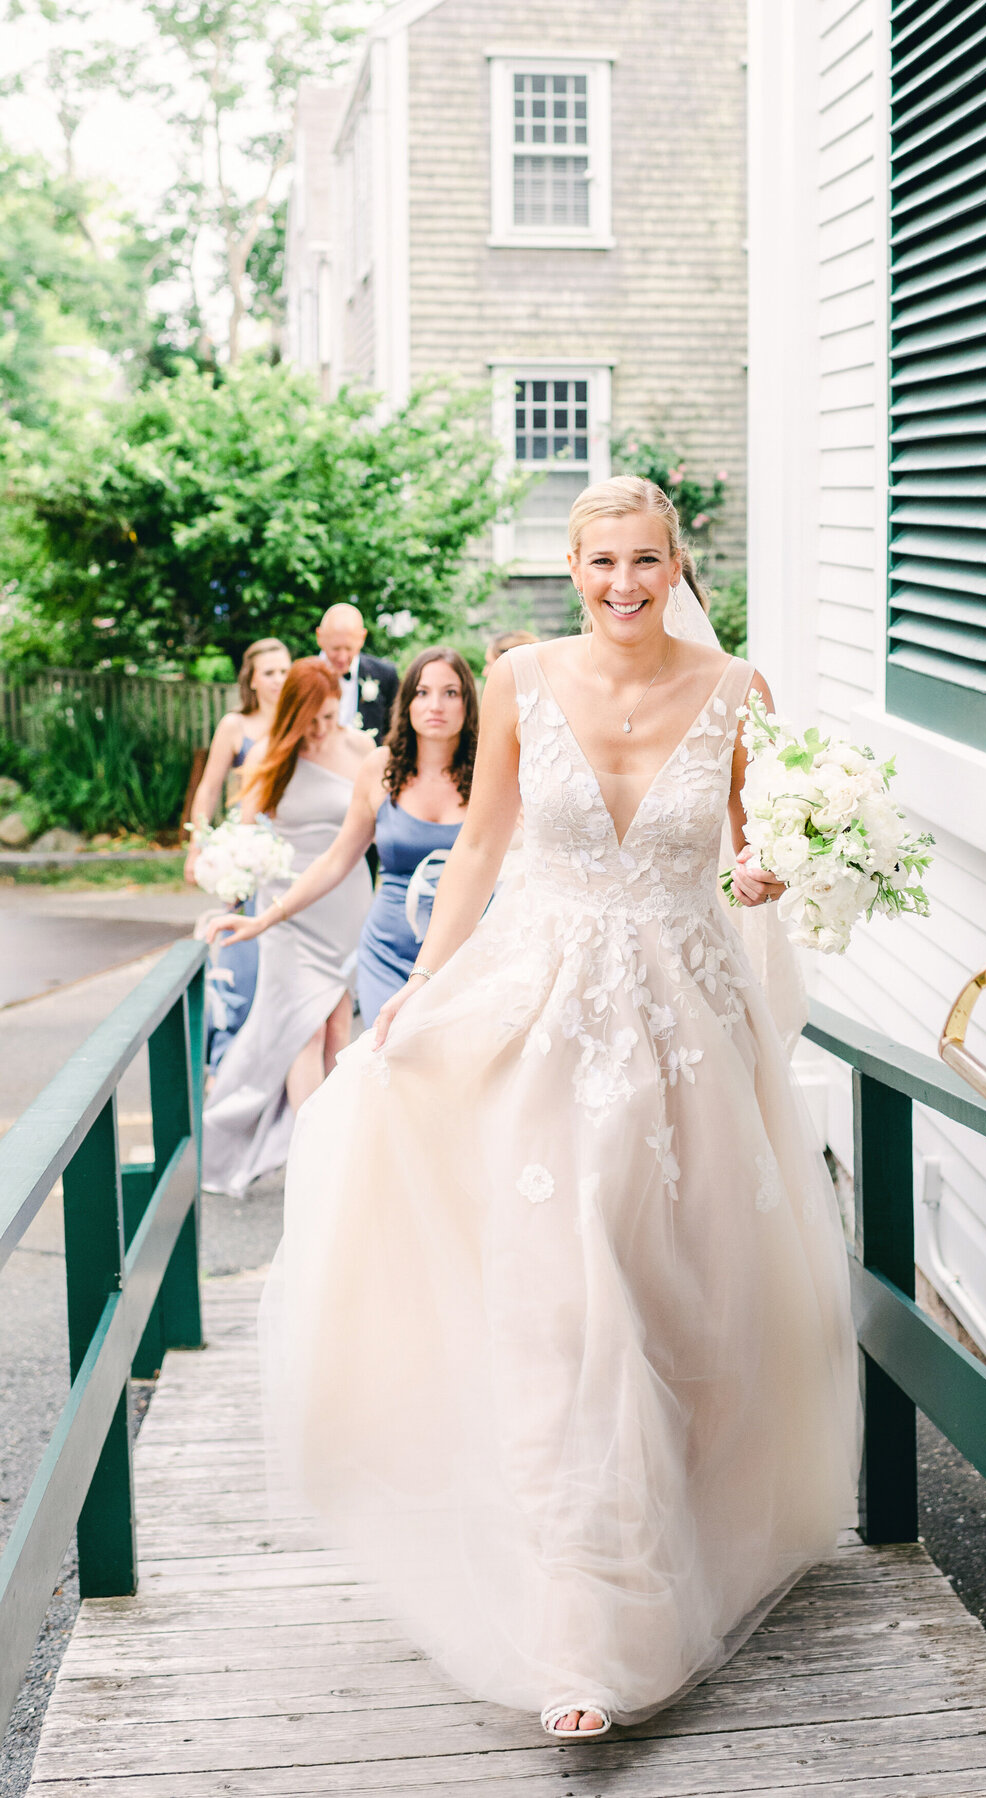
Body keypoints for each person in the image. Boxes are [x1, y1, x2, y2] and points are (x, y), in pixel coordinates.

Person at [260, 478, 859, 1740]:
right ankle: (588, 1630)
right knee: (568, 1311)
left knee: (682, 1296)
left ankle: (690, 1535)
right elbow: (479, 851)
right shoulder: (523, 680)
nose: (625, 585)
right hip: (549, 1024)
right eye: (602, 561)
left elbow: (764, 849)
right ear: (571, 567)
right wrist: (411, 1005)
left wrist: (767, 870)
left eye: (647, 560)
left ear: (676, 563)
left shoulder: (741, 693)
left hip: (694, 1034)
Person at [210, 647, 478, 1030]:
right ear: (406, 702)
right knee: (389, 1066)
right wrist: (265, 919)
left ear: (468, 702)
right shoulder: (379, 768)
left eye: (450, 693)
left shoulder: (489, 771)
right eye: (422, 692)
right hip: (387, 951)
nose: (435, 704)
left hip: (466, 951)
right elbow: (337, 859)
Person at [201, 659, 375, 1197]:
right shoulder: (273, 757)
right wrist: (231, 881)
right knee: (304, 1029)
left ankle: (335, 1134)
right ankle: (312, 1155)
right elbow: (245, 831)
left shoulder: (361, 751)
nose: (321, 730)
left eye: (328, 717)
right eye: (312, 720)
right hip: (285, 911)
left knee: (340, 1028)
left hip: (345, 903)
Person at [184, 637, 291, 1066]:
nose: (278, 680)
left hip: (292, 850)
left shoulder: (299, 722)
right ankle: (226, 1051)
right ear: (250, 678)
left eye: (284, 671)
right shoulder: (235, 725)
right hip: (249, 851)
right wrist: (198, 845)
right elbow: (208, 788)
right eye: (269, 672)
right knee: (241, 946)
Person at [315, 602, 400, 743]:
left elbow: (394, 730)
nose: (342, 658)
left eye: (349, 649)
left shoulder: (385, 675)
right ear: (319, 637)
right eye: (335, 649)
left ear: (362, 638)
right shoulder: (300, 675)